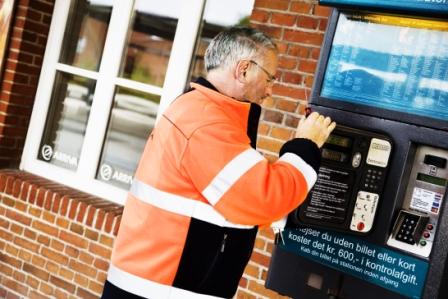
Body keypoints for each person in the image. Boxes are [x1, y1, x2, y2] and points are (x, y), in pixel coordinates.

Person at [101, 26, 336, 299]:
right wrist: (306, 146)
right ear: (244, 69)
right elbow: (262, 198)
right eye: (270, 78)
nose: (270, 90)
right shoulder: (207, 123)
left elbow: (233, 190)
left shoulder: (201, 111)